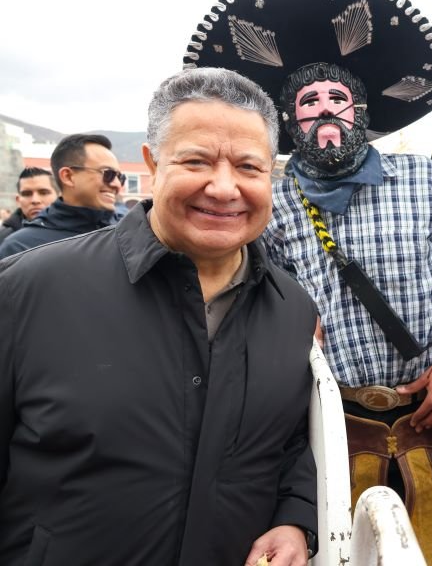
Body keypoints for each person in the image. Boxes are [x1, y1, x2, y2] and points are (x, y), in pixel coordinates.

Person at [184, 0, 432, 564]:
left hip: (429, 412)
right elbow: (262, 289)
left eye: (336, 99)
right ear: (290, 121)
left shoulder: (420, 176)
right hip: (332, 419)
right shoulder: (273, 194)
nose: (323, 112)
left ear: (360, 111)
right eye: (308, 102)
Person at [0, 67, 318, 565]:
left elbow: (289, 441)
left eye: (249, 167)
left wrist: (296, 519)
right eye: (196, 160)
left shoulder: (292, 310)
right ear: (152, 163)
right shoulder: (27, 291)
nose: (223, 187)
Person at [0, 134, 121, 258]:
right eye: (108, 174)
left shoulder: (128, 232)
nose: (117, 184)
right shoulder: (20, 247)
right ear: (68, 176)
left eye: (120, 177)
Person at [0, 167, 58, 244]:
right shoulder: (4, 239)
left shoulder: (76, 231)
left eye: (43, 193)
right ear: (18, 200)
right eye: (27, 194)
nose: (35, 200)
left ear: (58, 196)